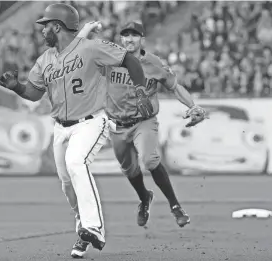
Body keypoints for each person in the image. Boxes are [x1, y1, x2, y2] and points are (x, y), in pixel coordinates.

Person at [0, 5, 147, 258]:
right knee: (67, 184)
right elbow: (34, 93)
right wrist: (17, 88)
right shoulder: (44, 60)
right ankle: (83, 230)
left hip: (91, 121)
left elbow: (129, 60)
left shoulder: (90, 47)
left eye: (46, 25)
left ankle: (94, 228)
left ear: (57, 26)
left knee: (76, 162)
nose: (43, 30)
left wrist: (141, 90)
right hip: (61, 128)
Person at [78, 21, 206, 231]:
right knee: (130, 170)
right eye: (126, 35)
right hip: (117, 124)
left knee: (150, 159)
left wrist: (192, 105)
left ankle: (175, 206)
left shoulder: (153, 63)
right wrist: (85, 32)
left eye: (134, 35)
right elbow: (81, 52)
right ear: (121, 39)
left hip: (143, 122)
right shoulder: (109, 58)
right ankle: (144, 199)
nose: (129, 39)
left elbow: (174, 86)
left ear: (142, 39)